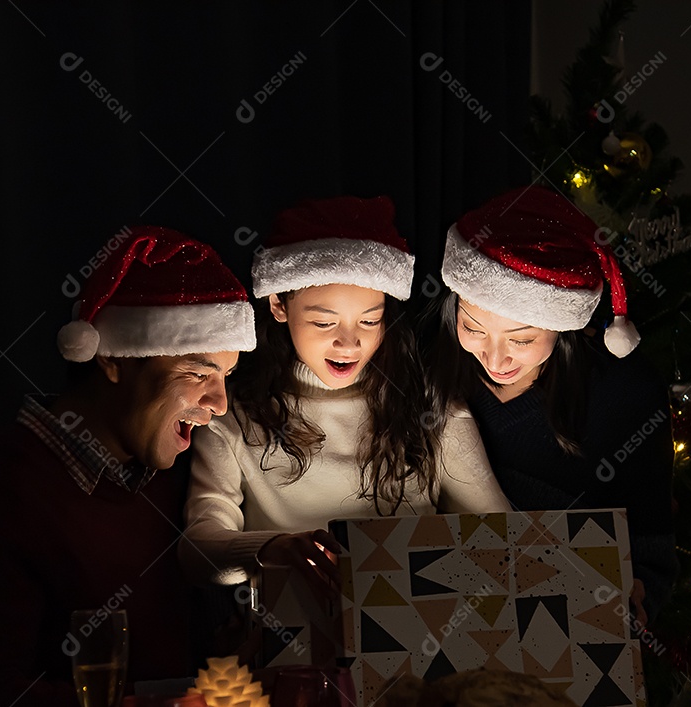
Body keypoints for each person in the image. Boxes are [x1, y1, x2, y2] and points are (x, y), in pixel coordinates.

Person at [0, 226, 256, 706]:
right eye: (198, 372)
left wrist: (227, 658)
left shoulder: (167, 482)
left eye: (226, 376)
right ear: (114, 358)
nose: (219, 403)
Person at [180, 196, 510, 596]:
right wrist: (272, 549)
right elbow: (197, 550)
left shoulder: (432, 410)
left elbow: (505, 539)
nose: (349, 343)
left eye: (370, 320)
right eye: (324, 321)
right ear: (279, 306)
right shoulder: (230, 414)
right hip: (292, 645)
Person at [422, 186, 678, 624]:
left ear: (564, 324)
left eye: (522, 339)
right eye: (473, 328)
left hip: (570, 629)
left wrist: (638, 592)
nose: (495, 358)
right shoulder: (427, 369)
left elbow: (651, 541)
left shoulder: (625, 394)